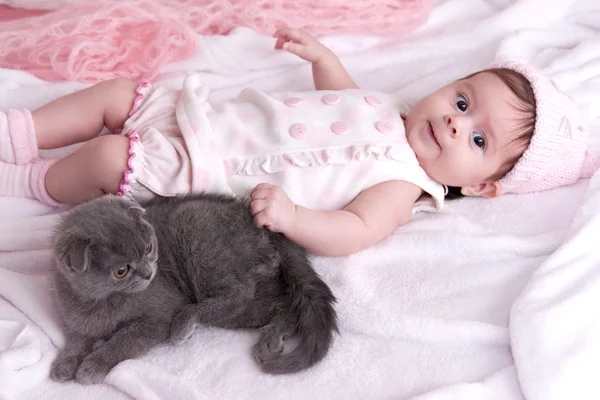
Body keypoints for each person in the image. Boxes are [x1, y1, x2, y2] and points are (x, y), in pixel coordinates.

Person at [0, 28, 595, 256]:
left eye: (478, 138)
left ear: (482, 184)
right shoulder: (392, 107)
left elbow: (355, 231)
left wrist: (295, 217)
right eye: (462, 102)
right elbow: (343, 100)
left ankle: (34, 181)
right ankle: (23, 131)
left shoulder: (402, 186)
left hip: (207, 164)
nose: (454, 123)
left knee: (108, 157)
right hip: (202, 115)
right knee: (118, 93)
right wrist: (325, 59)